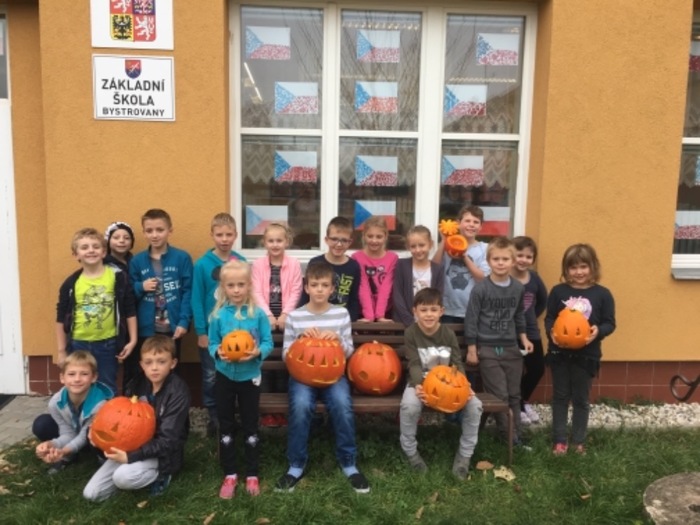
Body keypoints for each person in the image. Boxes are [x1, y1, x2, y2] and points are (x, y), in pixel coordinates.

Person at [276, 262, 370, 494]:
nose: (319, 289)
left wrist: (337, 340)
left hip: (333, 376)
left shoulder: (341, 314)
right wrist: (300, 340)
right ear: (306, 287)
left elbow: (349, 352)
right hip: (302, 377)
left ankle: (348, 462)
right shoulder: (295, 317)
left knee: (342, 404)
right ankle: (296, 464)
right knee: (300, 405)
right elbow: (286, 355)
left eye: (324, 285)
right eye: (315, 284)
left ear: (332, 289)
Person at [83, 335, 191, 502]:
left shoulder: (178, 392)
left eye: (161, 362)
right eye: (148, 362)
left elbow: (168, 440)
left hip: (164, 454)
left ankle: (161, 476)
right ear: (142, 365)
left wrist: (131, 457)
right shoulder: (136, 384)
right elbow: (121, 417)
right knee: (92, 494)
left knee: (122, 477)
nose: (154, 367)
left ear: (173, 363)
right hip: (132, 446)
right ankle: (130, 474)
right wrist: (95, 434)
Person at [399, 288, 483, 480]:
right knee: (409, 406)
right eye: (424, 310)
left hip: (450, 385)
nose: (429, 314)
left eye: (433, 309)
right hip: (420, 382)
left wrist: (465, 386)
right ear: (415, 311)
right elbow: (414, 363)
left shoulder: (448, 334)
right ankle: (411, 453)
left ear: (441, 311)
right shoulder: (411, 333)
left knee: (475, 405)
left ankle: (464, 456)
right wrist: (419, 385)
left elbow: (457, 362)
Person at [208, 260, 273, 499]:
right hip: (224, 377)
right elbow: (212, 343)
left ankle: (252, 473)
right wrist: (218, 352)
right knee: (226, 424)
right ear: (224, 287)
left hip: (250, 378)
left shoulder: (258, 315)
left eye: (241, 285)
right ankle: (230, 473)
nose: (236, 290)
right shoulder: (217, 316)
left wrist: (258, 352)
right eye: (231, 285)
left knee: (250, 423)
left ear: (249, 286)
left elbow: (267, 342)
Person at [545, 243, 615, 456]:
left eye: (583, 266)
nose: (579, 272)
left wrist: (598, 331)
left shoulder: (602, 294)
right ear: (566, 269)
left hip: (586, 355)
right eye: (573, 267)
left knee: (581, 399)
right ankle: (559, 440)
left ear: (593, 267)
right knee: (560, 396)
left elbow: (610, 323)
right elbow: (549, 318)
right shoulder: (558, 291)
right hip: (560, 353)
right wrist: (551, 332)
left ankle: (578, 441)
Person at [465, 237, 533, 446]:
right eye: (496, 259)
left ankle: (516, 434)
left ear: (513, 261)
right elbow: (471, 319)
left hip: (511, 348)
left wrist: (524, 338)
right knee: (500, 395)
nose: (501, 263)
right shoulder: (481, 289)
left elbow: (519, 315)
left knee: (514, 395)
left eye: (505, 259)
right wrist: (472, 349)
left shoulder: (517, 288)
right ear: (489, 261)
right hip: (488, 349)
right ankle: (508, 437)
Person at [56, 227, 137, 395]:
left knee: (107, 386)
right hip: (78, 343)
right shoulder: (71, 283)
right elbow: (61, 317)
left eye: (95, 246)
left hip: (108, 343)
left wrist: (133, 340)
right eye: (84, 247)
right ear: (76, 254)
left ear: (104, 252)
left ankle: (108, 413)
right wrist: (61, 350)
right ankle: (82, 413)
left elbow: (129, 309)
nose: (91, 250)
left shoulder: (117, 277)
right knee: (79, 385)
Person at [192, 212, 246, 436]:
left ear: (236, 235)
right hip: (211, 333)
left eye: (229, 234)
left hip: (236, 331)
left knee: (234, 373)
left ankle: (231, 415)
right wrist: (201, 332)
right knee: (211, 375)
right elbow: (196, 299)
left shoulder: (240, 262)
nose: (224, 239)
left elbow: (247, 297)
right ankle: (214, 417)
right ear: (212, 235)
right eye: (220, 234)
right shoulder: (202, 265)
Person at [127, 209, 193, 388]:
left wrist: (184, 321)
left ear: (170, 230)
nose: (154, 235)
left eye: (160, 230)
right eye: (149, 230)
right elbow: (128, 294)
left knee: (171, 372)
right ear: (143, 232)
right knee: (148, 371)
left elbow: (188, 291)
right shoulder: (137, 261)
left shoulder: (182, 258)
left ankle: (172, 404)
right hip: (146, 329)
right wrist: (141, 286)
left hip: (173, 328)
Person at [33, 351, 113, 474]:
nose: (77, 379)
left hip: (92, 439)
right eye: (71, 374)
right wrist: (51, 444)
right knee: (41, 424)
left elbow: (84, 436)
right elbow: (67, 433)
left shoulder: (100, 404)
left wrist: (63, 451)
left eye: (84, 374)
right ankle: (70, 457)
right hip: (76, 435)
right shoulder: (55, 402)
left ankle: (103, 459)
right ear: (62, 378)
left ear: (94, 377)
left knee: (92, 432)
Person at [511, 236, 548, 426]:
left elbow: (542, 301)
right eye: (520, 255)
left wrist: (531, 316)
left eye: (528, 256)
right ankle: (516, 406)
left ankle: (523, 400)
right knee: (515, 372)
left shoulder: (534, 278)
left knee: (537, 368)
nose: (523, 260)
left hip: (531, 332)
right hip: (510, 334)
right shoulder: (505, 277)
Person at [433, 205, 490, 324]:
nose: (471, 224)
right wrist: (444, 241)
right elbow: (434, 268)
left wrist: (464, 256)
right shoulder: (448, 246)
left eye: (476, 222)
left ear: (481, 227)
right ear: (458, 223)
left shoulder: (484, 249)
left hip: (473, 309)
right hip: (447, 309)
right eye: (467, 221)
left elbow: (482, 278)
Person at [298, 216, 361, 321]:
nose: (339, 244)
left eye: (344, 240)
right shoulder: (315, 262)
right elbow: (306, 294)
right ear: (326, 240)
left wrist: (350, 321)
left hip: (340, 320)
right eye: (334, 239)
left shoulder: (354, 266)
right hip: (315, 319)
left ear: (350, 242)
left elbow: (354, 298)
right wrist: (301, 317)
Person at [251, 223, 303, 332]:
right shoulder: (257, 265)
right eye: (271, 241)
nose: (275, 245)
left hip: (288, 318)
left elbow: (296, 291)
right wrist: (268, 315)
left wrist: (285, 314)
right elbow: (256, 292)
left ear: (286, 242)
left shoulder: (294, 264)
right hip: (263, 318)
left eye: (279, 241)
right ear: (265, 243)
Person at [393, 225, 444, 327]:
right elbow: (397, 295)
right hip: (403, 323)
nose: (418, 250)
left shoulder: (437, 269)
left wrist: (429, 319)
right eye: (413, 246)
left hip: (428, 324)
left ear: (430, 244)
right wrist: (410, 322)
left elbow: (438, 297)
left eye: (421, 245)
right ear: (408, 247)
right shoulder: (401, 265)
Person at [351, 216, 398, 322]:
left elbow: (386, 287)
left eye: (379, 237)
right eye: (370, 236)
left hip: (386, 312)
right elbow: (363, 287)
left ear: (386, 236)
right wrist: (369, 316)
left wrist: (380, 315)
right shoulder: (357, 258)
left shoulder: (392, 258)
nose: (374, 240)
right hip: (363, 313)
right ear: (364, 236)